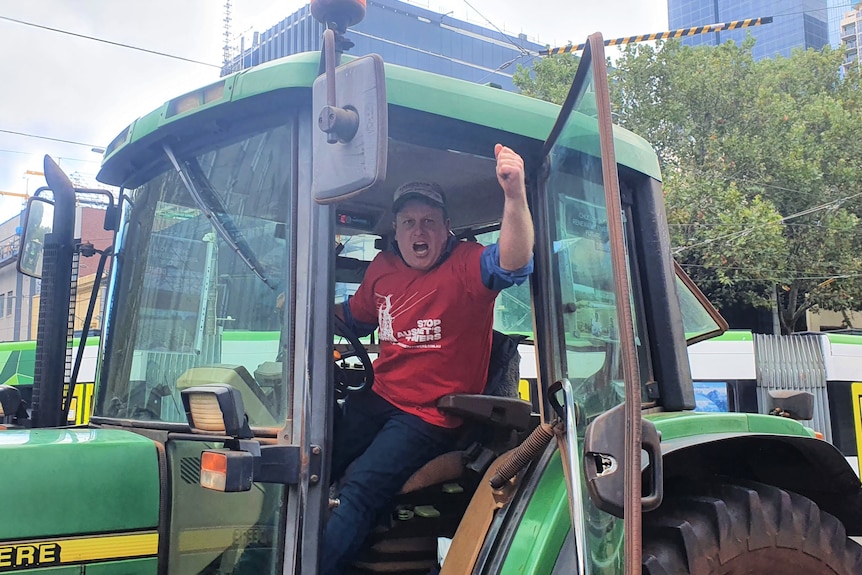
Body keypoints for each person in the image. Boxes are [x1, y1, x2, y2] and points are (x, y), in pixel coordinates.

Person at [323, 144, 535, 574]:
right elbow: (355, 319)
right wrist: (303, 311)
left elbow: (513, 262)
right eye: (408, 223)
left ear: (446, 229)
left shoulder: (468, 266)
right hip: (378, 395)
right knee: (316, 459)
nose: (418, 231)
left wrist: (515, 196)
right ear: (396, 231)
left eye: (428, 223)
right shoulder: (382, 268)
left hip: (429, 415)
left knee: (361, 487)